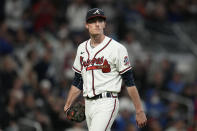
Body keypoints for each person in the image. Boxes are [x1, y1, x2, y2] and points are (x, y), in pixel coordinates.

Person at [64, 8, 147, 131]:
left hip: (107, 101)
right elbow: (78, 80)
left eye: (100, 20)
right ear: (87, 25)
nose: (97, 24)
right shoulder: (82, 48)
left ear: (104, 24)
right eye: (93, 21)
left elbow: (129, 82)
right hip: (88, 103)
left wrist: (139, 110)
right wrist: (68, 103)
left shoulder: (117, 48)